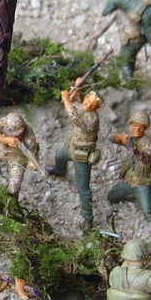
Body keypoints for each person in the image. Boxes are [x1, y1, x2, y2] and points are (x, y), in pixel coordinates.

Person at [108, 109, 151, 245]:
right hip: (129, 180)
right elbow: (112, 138)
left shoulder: (147, 142)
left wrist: (136, 151)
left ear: (145, 129)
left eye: (141, 127)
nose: (137, 129)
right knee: (111, 196)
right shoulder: (130, 137)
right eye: (134, 126)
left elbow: (146, 157)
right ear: (130, 125)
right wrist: (120, 138)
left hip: (142, 183)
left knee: (148, 213)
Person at [47, 87, 103, 229]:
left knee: (83, 188)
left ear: (96, 108)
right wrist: (75, 89)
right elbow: (72, 104)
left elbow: (75, 118)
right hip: (72, 149)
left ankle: (88, 218)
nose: (88, 105)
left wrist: (66, 100)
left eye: (92, 105)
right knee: (59, 155)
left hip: (82, 156)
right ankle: (60, 170)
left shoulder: (92, 118)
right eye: (87, 101)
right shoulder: (82, 107)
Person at [0, 112, 40, 199]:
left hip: (18, 157)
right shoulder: (4, 123)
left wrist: (32, 164)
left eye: (22, 133)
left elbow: (33, 155)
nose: (20, 135)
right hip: (2, 148)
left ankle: (11, 202)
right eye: (17, 134)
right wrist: (5, 139)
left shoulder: (29, 136)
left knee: (14, 186)